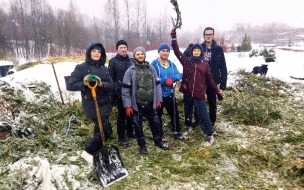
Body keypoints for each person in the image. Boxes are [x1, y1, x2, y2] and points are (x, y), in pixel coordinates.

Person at [170, 29, 224, 146]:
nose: (196, 52)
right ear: (191, 52)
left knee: (203, 114)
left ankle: (209, 134)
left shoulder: (205, 65)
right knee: (188, 111)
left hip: (199, 93)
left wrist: (217, 91)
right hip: (188, 92)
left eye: (198, 50)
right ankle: (189, 127)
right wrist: (174, 39)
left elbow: (210, 80)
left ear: (201, 52)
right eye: (194, 50)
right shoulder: (187, 62)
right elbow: (177, 52)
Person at [67, 42, 114, 163]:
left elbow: (111, 85)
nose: (96, 53)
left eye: (99, 52)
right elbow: (70, 85)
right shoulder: (81, 67)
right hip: (92, 104)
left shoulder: (104, 68)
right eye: (94, 51)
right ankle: (88, 152)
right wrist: (84, 82)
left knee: (100, 129)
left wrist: (101, 84)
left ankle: (97, 150)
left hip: (105, 103)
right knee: (107, 130)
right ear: (89, 53)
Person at [122, 46, 170, 154]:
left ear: (144, 55)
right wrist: (128, 105)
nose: (140, 56)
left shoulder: (151, 69)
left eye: (142, 54)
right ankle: (142, 145)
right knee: (138, 126)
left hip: (151, 103)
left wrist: (159, 99)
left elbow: (157, 85)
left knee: (156, 123)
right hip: (137, 104)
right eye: (138, 54)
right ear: (134, 56)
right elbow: (125, 90)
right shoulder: (130, 71)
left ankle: (158, 141)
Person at [183, 27, 227, 133]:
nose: (208, 36)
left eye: (210, 34)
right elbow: (186, 57)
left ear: (213, 35)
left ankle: (211, 122)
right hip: (200, 81)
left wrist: (223, 82)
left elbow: (223, 66)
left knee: (212, 102)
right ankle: (198, 121)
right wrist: (188, 48)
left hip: (213, 80)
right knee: (198, 101)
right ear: (203, 35)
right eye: (206, 34)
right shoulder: (199, 48)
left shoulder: (218, 49)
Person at [151, 43, 188, 141]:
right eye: (163, 51)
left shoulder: (171, 64)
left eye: (167, 51)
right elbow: (152, 77)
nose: (165, 53)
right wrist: (163, 81)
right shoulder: (154, 64)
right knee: (158, 115)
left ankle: (177, 132)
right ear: (159, 52)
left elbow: (180, 75)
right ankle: (160, 134)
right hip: (159, 95)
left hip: (170, 93)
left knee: (174, 114)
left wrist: (172, 78)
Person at [108, 40, 135, 147]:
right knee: (122, 115)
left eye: (125, 47)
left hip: (131, 92)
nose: (123, 49)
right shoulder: (113, 62)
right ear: (117, 49)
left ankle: (130, 132)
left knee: (131, 113)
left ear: (127, 49)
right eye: (121, 47)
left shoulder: (131, 61)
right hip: (120, 92)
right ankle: (121, 137)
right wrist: (114, 94)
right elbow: (111, 78)